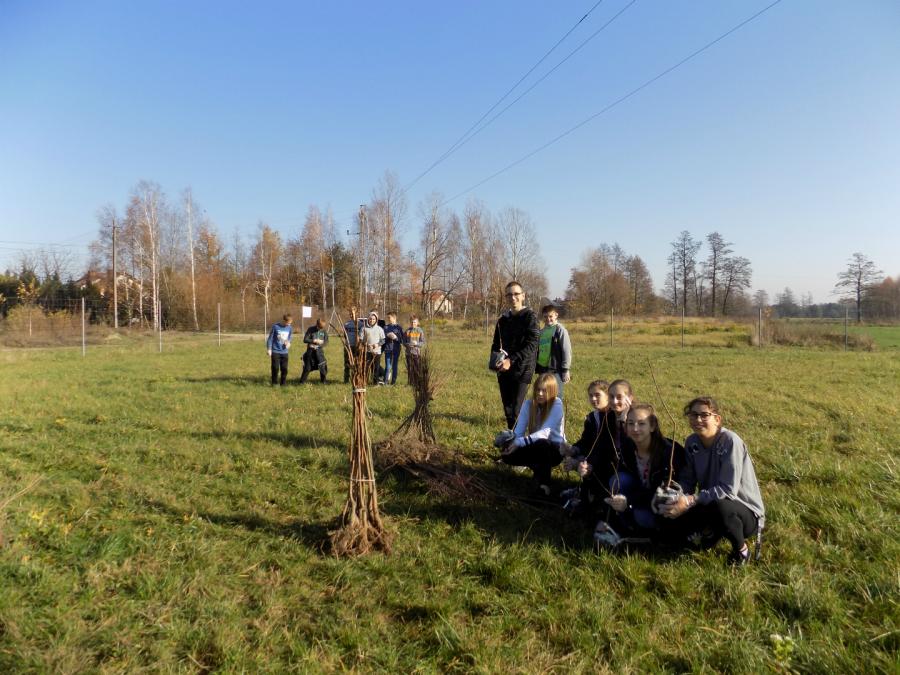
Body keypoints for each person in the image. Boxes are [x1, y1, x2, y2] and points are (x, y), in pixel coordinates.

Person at [657, 396, 765, 565]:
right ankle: (707, 535)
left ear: (717, 419)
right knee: (667, 523)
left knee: (721, 506)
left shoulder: (730, 441)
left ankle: (741, 551)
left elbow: (728, 490)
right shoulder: (692, 442)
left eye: (704, 415)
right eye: (693, 415)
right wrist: (677, 497)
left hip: (742, 511)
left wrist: (690, 500)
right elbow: (688, 479)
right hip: (708, 502)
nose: (698, 419)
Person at [601, 403, 686, 536]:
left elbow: (662, 492)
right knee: (617, 481)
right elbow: (621, 471)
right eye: (630, 423)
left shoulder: (668, 453)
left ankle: (652, 533)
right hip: (639, 492)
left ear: (652, 426)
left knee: (642, 517)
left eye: (641, 424)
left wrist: (629, 502)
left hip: (661, 501)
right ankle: (624, 523)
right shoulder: (628, 446)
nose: (635, 429)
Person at [499, 373, 566, 498]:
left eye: (544, 391)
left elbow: (545, 433)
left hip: (555, 450)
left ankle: (544, 487)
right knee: (507, 454)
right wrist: (511, 443)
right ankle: (538, 470)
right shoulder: (528, 404)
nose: (540, 394)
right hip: (535, 445)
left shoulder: (557, 404)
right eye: (538, 390)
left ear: (552, 391)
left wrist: (519, 443)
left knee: (542, 443)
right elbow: (519, 432)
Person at [575, 379, 635, 517]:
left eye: (619, 397)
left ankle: (621, 511)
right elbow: (600, 445)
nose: (614, 401)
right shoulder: (609, 418)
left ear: (630, 398)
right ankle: (591, 502)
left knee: (615, 480)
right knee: (596, 468)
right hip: (613, 463)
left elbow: (632, 448)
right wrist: (589, 464)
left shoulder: (637, 418)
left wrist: (625, 422)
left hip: (633, 470)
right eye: (612, 397)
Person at [491, 281, 541, 429]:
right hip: (504, 369)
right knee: (508, 409)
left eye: (516, 294)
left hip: (523, 369)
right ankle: (512, 437)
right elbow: (496, 343)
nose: (513, 298)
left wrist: (511, 360)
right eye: (509, 295)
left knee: (516, 409)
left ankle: (520, 438)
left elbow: (533, 344)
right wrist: (495, 361)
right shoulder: (502, 320)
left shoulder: (530, 317)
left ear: (523, 296)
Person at [559, 380, 609, 513]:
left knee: (583, 463)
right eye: (591, 395)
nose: (593, 399)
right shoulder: (592, 417)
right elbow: (585, 441)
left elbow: (604, 449)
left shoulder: (612, 418)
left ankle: (591, 497)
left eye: (597, 395)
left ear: (608, 395)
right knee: (578, 458)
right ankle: (584, 491)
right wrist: (572, 449)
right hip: (594, 457)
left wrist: (581, 461)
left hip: (607, 461)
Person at [534, 304, 572, 398]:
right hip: (542, 368)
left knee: (556, 395)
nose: (548, 319)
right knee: (543, 394)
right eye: (545, 317)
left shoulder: (560, 330)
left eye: (550, 316)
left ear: (556, 315)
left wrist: (565, 369)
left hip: (555, 369)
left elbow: (566, 350)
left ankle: (557, 408)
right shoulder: (541, 332)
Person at [266, 314, 293, 386]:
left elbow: (290, 337)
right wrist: (269, 349)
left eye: (290, 323)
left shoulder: (290, 328)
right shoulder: (275, 327)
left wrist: (289, 342)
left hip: (284, 352)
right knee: (275, 368)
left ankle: (283, 383)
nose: (289, 325)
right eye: (288, 323)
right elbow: (270, 339)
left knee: (284, 369)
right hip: (275, 351)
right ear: (284, 320)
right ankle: (274, 383)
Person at [299, 318, 329, 383]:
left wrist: (320, 345)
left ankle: (324, 382)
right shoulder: (310, 329)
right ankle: (302, 382)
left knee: (322, 366)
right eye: (319, 327)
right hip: (310, 352)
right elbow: (305, 339)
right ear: (317, 324)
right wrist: (313, 340)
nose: (320, 329)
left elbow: (326, 341)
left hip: (319, 352)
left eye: (322, 328)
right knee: (307, 367)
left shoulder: (324, 331)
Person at [360, 310, 386, 384]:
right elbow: (360, 339)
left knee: (376, 367)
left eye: (374, 319)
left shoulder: (379, 329)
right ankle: (365, 381)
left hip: (376, 352)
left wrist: (377, 344)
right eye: (370, 319)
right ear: (368, 319)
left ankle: (375, 382)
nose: (372, 320)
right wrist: (366, 344)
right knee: (366, 367)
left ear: (376, 320)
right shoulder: (364, 328)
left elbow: (383, 340)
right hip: (367, 351)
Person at [403, 315, 426, 386]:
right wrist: (408, 344)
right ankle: (410, 383)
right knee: (410, 368)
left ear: (417, 323)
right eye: (412, 322)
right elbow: (403, 341)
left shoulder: (420, 331)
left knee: (416, 368)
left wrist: (417, 344)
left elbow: (423, 342)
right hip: (408, 353)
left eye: (415, 322)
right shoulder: (407, 331)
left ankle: (417, 382)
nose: (413, 323)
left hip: (416, 353)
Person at [382, 311, 404, 385]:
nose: (388, 319)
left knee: (394, 366)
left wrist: (396, 338)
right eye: (388, 317)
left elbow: (402, 340)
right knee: (388, 366)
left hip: (396, 349)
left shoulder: (399, 327)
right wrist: (387, 336)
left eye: (389, 318)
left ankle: (393, 382)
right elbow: (382, 338)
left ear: (394, 318)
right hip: (388, 349)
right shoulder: (386, 327)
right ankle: (385, 382)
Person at [342, 306, 360, 384]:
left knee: (356, 363)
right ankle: (346, 380)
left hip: (356, 347)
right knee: (347, 363)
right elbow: (345, 335)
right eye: (350, 314)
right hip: (348, 346)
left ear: (356, 313)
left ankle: (356, 379)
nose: (351, 315)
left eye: (353, 313)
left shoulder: (360, 324)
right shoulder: (346, 324)